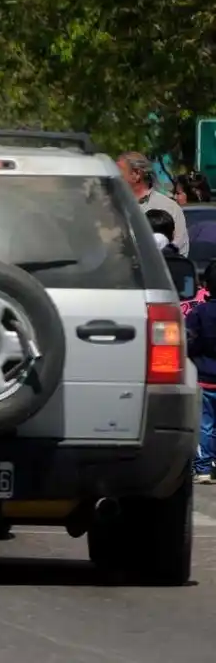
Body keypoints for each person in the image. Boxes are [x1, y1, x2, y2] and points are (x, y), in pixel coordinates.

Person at [184, 262, 216, 485]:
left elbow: (189, 343)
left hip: (204, 377)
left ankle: (203, 467)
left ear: (205, 285)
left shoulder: (198, 313)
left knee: (204, 425)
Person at [119, 152, 188, 254]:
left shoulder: (168, 207)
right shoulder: (112, 207)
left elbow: (178, 252)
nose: (113, 179)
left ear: (136, 174)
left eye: (118, 174)